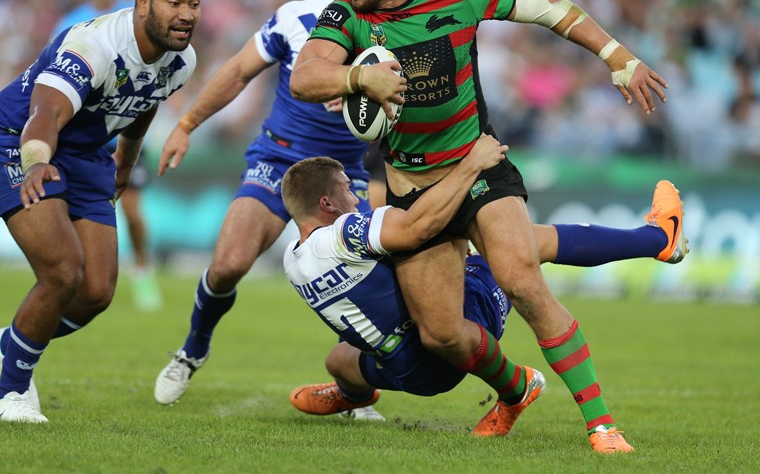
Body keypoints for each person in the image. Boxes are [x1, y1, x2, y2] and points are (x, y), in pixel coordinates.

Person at [290, 0, 685, 452]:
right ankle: (517, 390)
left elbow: (549, 8)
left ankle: (602, 425)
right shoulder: (345, 16)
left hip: (478, 166)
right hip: (412, 192)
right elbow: (305, 76)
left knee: (522, 277)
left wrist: (617, 55)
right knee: (442, 335)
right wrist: (360, 77)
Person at [283, 154, 685, 448]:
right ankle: (517, 387)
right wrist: (470, 166)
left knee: (338, 359)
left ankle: (354, 394)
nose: (356, 198)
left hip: (403, 372)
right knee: (517, 247)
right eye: (347, 192)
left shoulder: (293, 260)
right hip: (453, 339)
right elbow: (415, 226)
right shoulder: (343, 233)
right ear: (327, 205)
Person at [0, 0, 201, 423]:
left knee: (96, 291)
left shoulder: (182, 60)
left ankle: (11, 341)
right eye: (175, 1)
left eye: (195, 3)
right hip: (19, 142)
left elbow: (146, 101)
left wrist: (127, 160)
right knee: (63, 270)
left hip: (89, 153)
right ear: (143, 2)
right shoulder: (94, 45)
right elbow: (45, 112)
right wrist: (36, 162)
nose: (187, 14)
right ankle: (8, 392)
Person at [153, 0, 385, 421]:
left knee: (362, 283)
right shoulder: (297, 17)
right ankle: (193, 349)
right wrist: (186, 124)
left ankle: (353, 393)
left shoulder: (395, 30)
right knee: (228, 265)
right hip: (278, 161)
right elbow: (239, 70)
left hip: (345, 174)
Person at [51, 0, 161, 312]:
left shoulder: (135, 21)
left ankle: (143, 269)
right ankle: (75, 273)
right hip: (80, 137)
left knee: (131, 210)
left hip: (123, 132)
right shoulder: (69, 22)